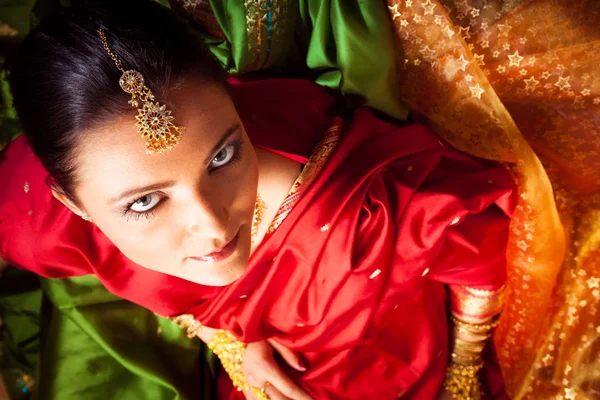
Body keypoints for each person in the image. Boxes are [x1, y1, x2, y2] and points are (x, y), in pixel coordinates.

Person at [0, 1, 516, 399]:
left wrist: (465, 374)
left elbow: (480, 260)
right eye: (144, 203)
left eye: (223, 157)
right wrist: (234, 341)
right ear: (74, 205)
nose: (213, 226)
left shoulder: (371, 210)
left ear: (236, 104)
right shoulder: (40, 222)